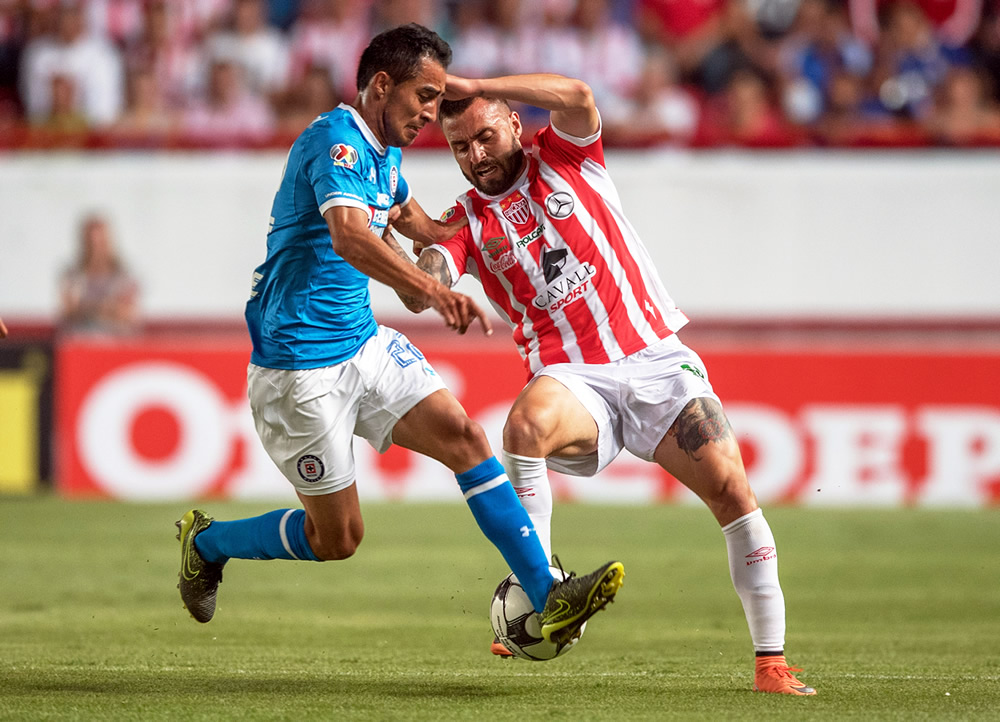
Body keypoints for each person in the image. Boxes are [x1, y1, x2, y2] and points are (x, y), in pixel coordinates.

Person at [175, 24, 624, 652]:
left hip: (363, 344)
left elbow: (423, 227)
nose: (432, 114)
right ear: (383, 85)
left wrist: (495, 236)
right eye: (426, 97)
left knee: (468, 438)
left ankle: (547, 595)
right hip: (298, 367)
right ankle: (207, 543)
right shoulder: (335, 141)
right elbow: (351, 237)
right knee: (338, 540)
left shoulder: (386, 157)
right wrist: (434, 290)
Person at [398, 71, 815, 695]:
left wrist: (473, 80)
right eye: (460, 147)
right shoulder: (463, 222)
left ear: (515, 122)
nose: (476, 155)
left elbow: (577, 95)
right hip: (572, 379)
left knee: (732, 490)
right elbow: (426, 280)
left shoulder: (566, 153)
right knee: (523, 425)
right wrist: (410, 267)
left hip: (655, 359)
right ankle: (540, 592)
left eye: (484, 136)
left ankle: (771, 665)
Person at [59, 213, 139, 336]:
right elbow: (68, 312)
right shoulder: (73, 275)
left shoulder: (123, 275)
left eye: (100, 241)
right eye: (90, 242)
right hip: (80, 340)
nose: (95, 246)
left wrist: (88, 309)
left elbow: (127, 314)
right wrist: (104, 308)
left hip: (115, 342)